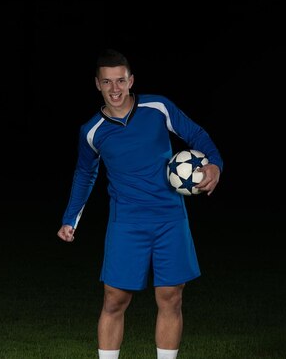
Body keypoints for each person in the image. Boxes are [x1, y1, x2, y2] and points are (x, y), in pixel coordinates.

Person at [56, 48, 223, 359]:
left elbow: (197, 135)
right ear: (97, 84)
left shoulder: (158, 107)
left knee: (171, 297)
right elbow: (84, 173)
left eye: (120, 81)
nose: (115, 89)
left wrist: (214, 164)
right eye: (108, 82)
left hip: (170, 218)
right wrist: (70, 218)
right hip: (127, 224)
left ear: (131, 80)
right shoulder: (92, 132)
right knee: (114, 299)